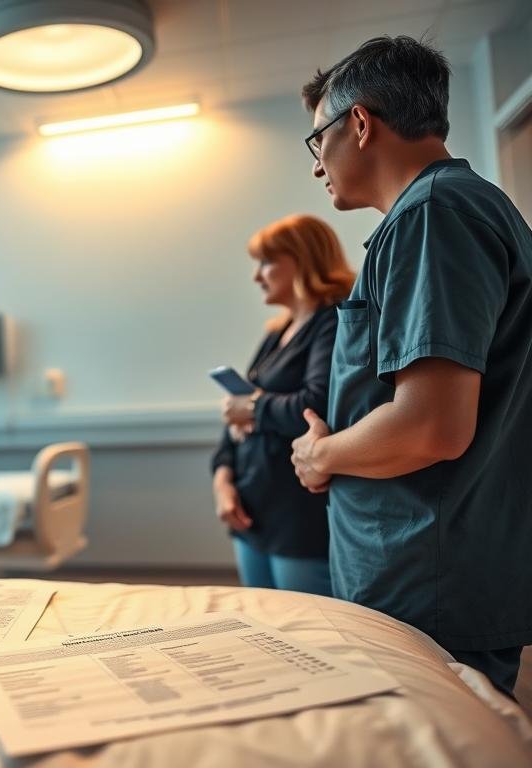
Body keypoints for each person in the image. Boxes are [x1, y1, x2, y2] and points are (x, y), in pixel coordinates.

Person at [289, 36, 532, 695]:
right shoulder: (447, 211)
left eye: (318, 143)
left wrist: (324, 455)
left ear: (360, 123)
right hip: (430, 570)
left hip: (427, 579)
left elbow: (432, 427)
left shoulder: (433, 214)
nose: (318, 168)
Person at [212, 214, 355, 595]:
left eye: (266, 262)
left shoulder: (334, 322)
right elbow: (241, 407)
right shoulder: (277, 332)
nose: (257, 276)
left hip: (298, 519)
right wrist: (222, 478)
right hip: (253, 510)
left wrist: (256, 410)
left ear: (304, 259)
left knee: (310, 637)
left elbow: (318, 403)